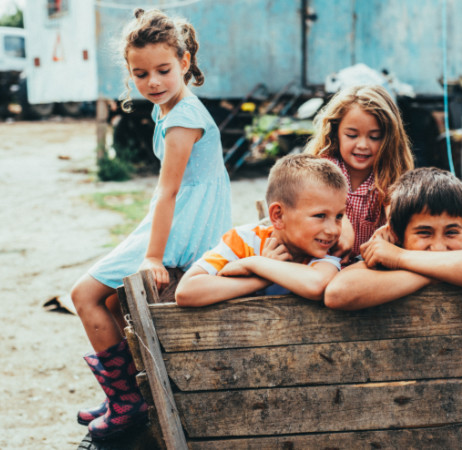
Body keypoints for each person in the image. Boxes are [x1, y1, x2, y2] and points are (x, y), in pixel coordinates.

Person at [69, 9, 232, 440]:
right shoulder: (171, 108)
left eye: (163, 70)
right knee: (108, 300)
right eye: (140, 74)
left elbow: (168, 192)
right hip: (184, 217)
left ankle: (127, 402)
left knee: (83, 294)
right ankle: (123, 393)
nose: (153, 82)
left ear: (184, 61)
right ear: (129, 72)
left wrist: (153, 256)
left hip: (185, 227)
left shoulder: (182, 118)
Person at [175, 154, 348, 306]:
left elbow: (316, 286)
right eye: (320, 215)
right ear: (278, 215)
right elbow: (186, 292)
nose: (333, 230)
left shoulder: (325, 253)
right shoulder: (244, 240)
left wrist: (254, 264)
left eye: (339, 216)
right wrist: (261, 278)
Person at [324, 167, 462, 311]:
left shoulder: (396, 255)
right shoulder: (386, 252)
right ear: (397, 236)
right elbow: (337, 294)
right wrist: (437, 273)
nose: (438, 248)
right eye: (424, 233)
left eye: (451, 232)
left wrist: (400, 258)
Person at [304, 85, 414, 261]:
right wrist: (341, 220)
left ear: (389, 139)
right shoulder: (323, 167)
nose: (362, 145)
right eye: (352, 135)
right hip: (323, 259)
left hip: (369, 263)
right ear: (336, 132)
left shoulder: (389, 175)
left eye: (374, 137)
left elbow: (396, 209)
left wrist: (394, 225)